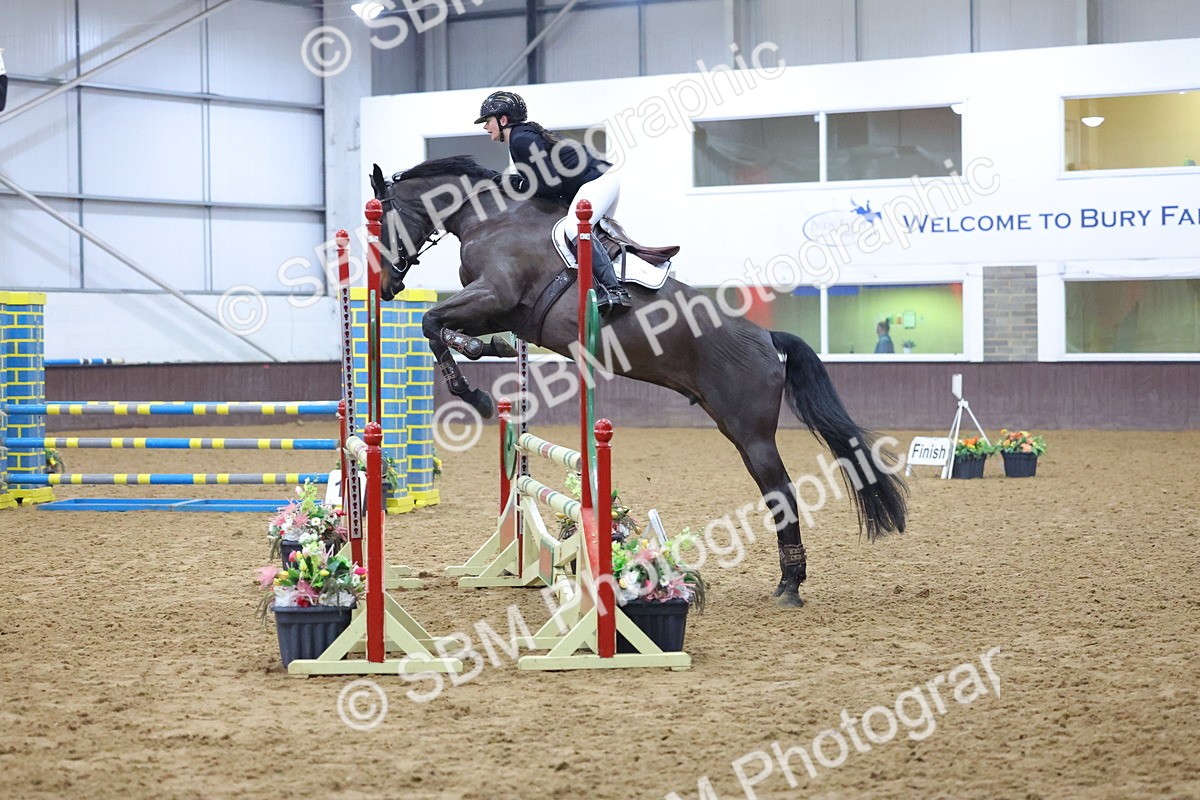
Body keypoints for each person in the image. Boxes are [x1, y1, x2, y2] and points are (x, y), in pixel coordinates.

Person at [475, 90, 631, 317]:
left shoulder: (521, 140)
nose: (485, 127)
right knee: (588, 236)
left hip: (598, 183)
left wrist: (514, 184)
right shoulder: (523, 136)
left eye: (488, 121)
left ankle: (616, 290)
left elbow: (550, 187)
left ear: (503, 119)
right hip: (601, 181)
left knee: (573, 229)